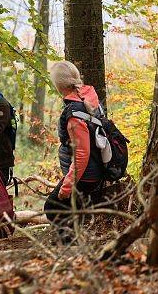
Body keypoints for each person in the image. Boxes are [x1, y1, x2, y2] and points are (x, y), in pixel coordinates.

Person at [43, 61, 105, 244]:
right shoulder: (88, 97)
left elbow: (82, 154)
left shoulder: (75, 112)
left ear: (59, 85)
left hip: (85, 175)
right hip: (93, 170)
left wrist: (67, 186)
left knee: (52, 208)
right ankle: (72, 247)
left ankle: (71, 252)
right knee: (71, 214)